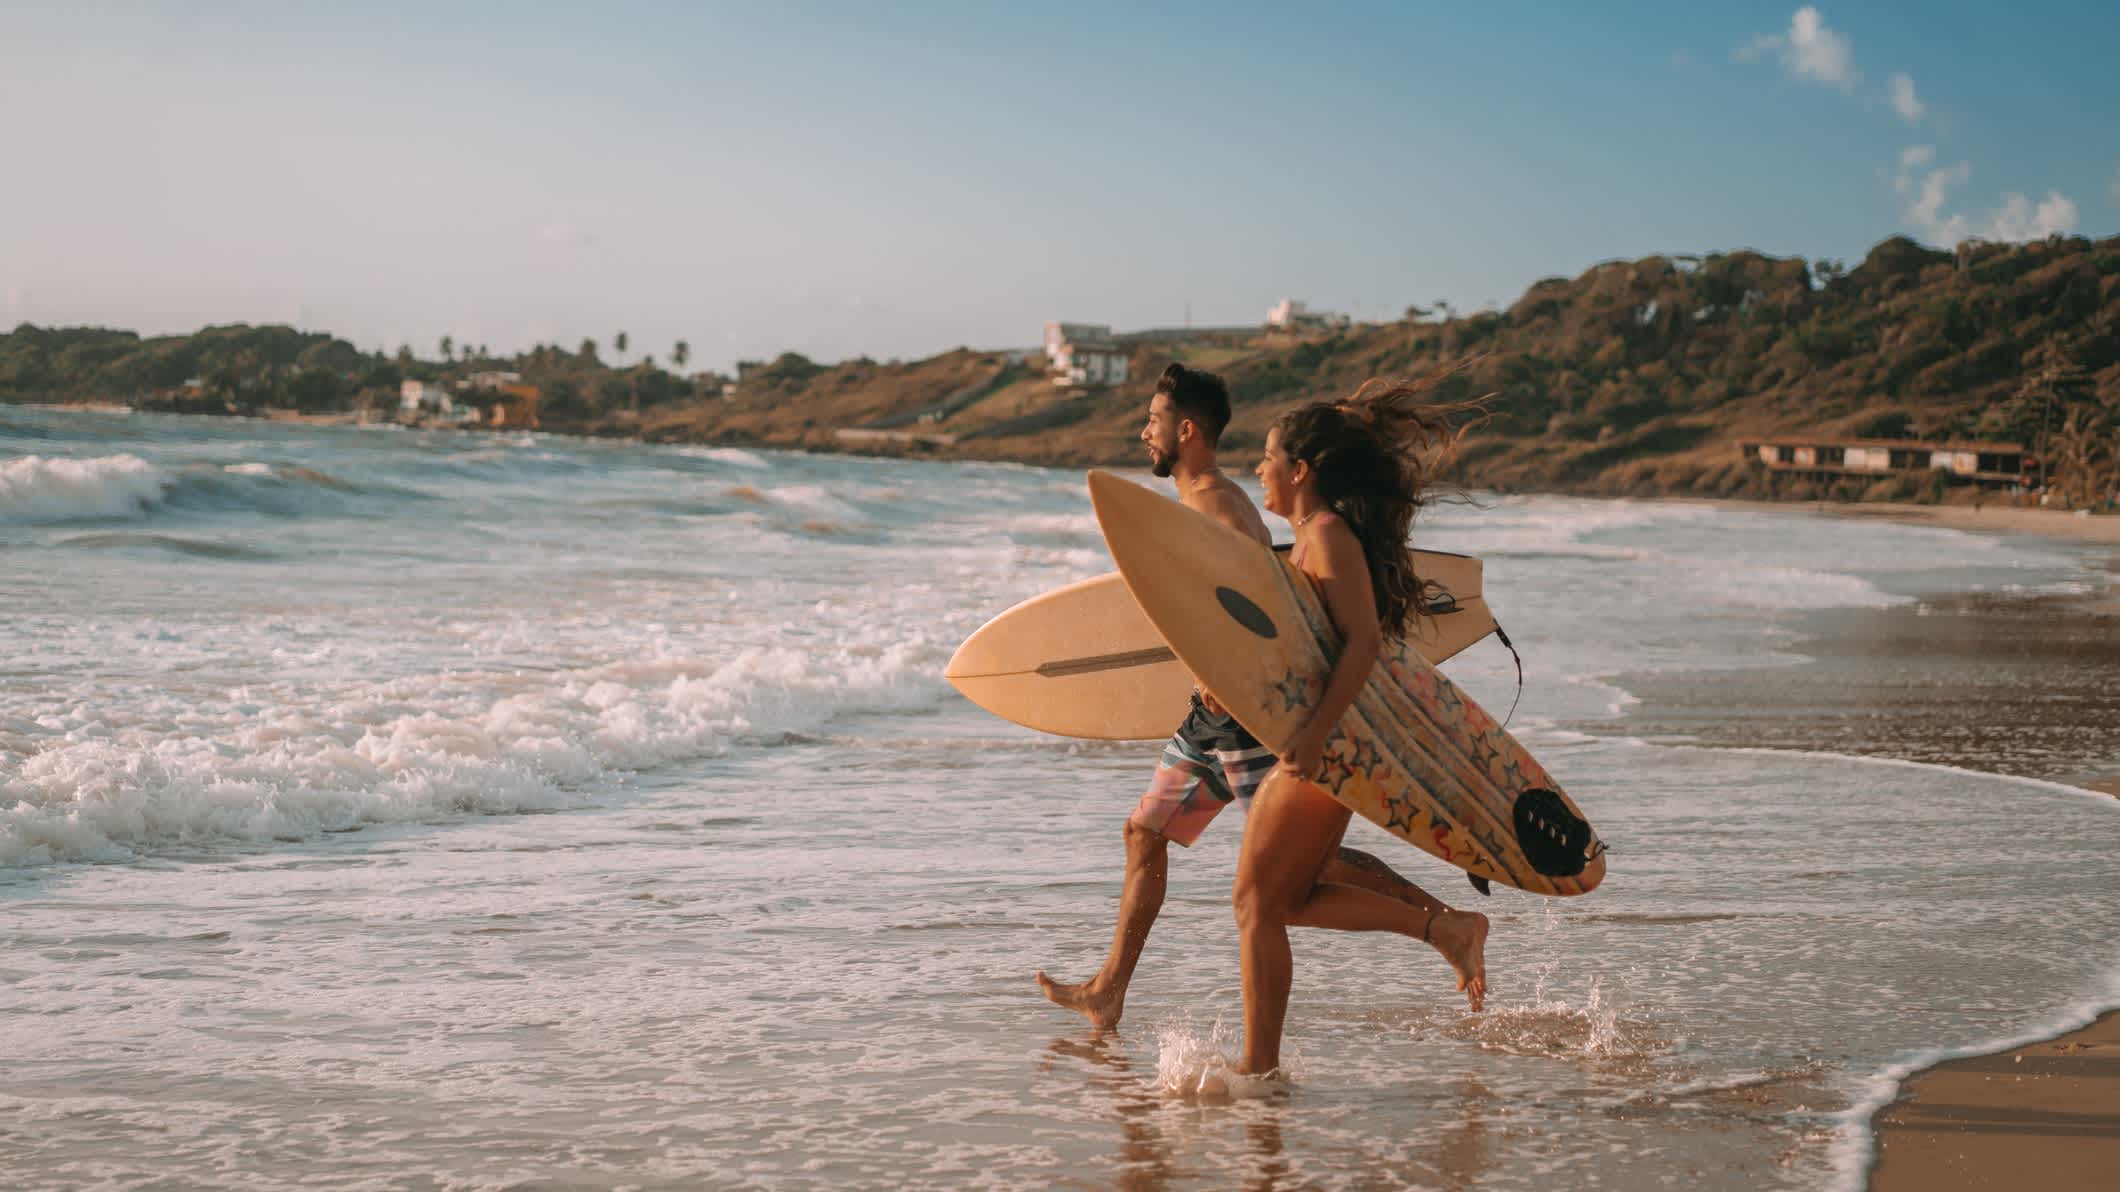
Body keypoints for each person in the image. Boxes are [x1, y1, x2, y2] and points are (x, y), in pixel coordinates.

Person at [1037, 363, 1454, 1029]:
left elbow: (1254, 614)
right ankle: (1109, 988)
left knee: (1308, 871)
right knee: (1144, 833)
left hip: (1239, 718)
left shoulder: (1214, 504)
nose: (1145, 431)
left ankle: (1445, 925)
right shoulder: (1210, 500)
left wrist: (1234, 678)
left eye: (1153, 420)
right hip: (1210, 716)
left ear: (1188, 429)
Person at [1233, 378, 1492, 1078]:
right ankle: (1447, 928)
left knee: (1258, 903)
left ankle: (1258, 1072)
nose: (1257, 469)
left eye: (1266, 457)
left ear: (1301, 470)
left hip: (1335, 740)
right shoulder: (1309, 540)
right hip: (1332, 736)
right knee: (1288, 896)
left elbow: (1362, 643)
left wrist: (1316, 735)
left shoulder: (1326, 536)